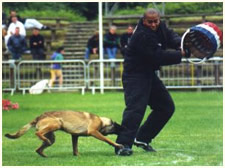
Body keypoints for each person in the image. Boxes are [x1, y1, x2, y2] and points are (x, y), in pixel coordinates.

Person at [115, 8, 189, 156]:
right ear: (144, 21)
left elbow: (171, 36)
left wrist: (181, 44)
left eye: (156, 21)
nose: (154, 24)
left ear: (159, 20)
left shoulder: (161, 26)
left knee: (166, 107)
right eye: (150, 22)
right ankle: (122, 145)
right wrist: (179, 54)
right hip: (134, 75)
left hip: (148, 73)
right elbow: (157, 56)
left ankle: (142, 138)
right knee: (135, 109)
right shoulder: (141, 35)